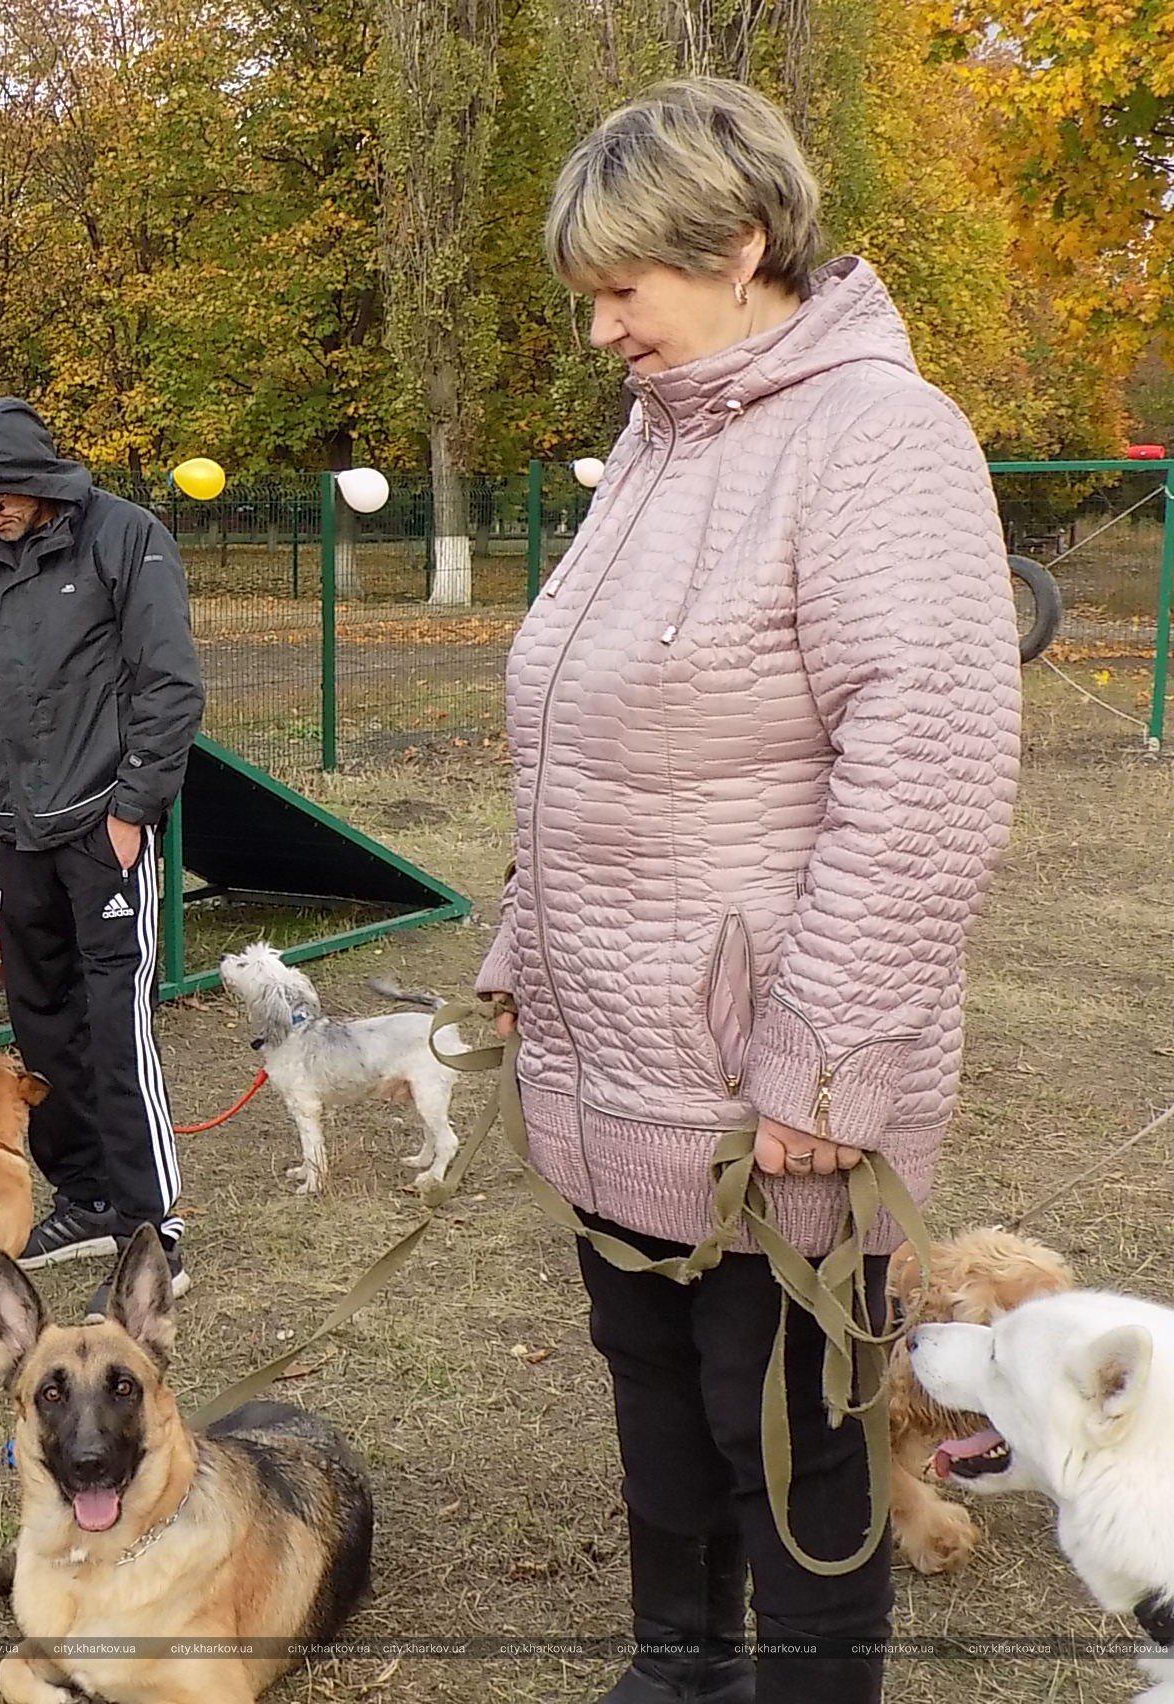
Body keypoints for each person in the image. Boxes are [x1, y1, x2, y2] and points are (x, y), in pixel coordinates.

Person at [484, 80, 1021, 1703]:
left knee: (780, 1431)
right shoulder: (661, 439)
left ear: (736, 245)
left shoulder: (877, 440)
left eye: (619, 286)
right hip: (610, 1060)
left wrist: (825, 1056)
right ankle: (679, 1668)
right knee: (651, 1387)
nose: (598, 327)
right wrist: (528, 935)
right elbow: (588, 723)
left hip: (761, 1097)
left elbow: (926, 770)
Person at [0, 397, 205, 1305]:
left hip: (104, 829)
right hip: (18, 837)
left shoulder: (127, 537)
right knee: (43, 1026)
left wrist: (133, 809)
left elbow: (170, 684)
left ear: (30, 478)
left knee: (116, 1026)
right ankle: (85, 1195)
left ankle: (151, 1227)